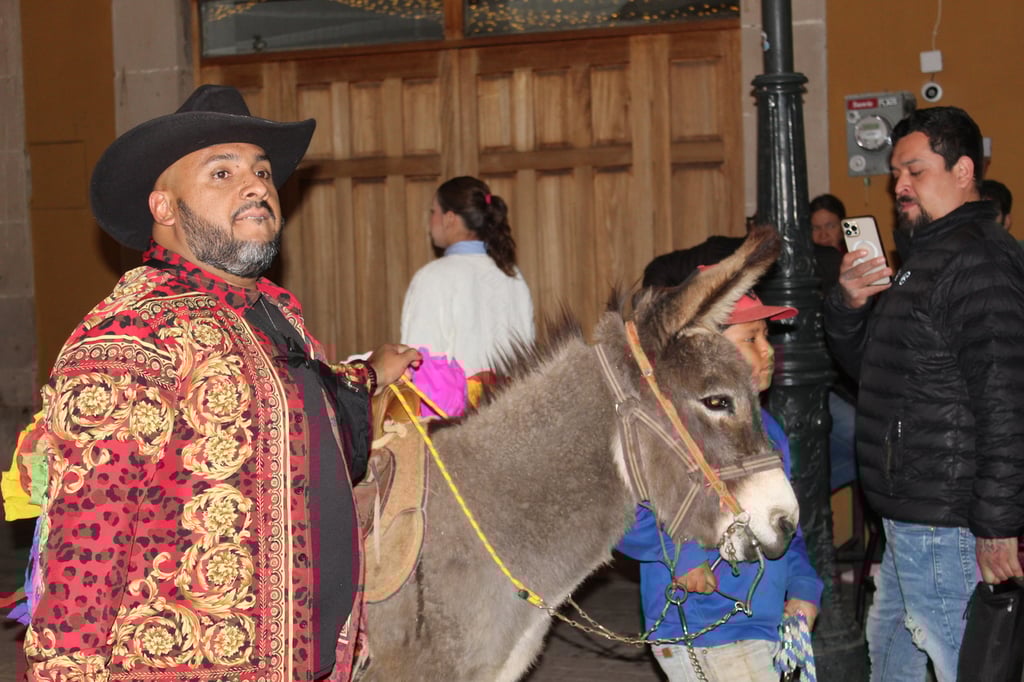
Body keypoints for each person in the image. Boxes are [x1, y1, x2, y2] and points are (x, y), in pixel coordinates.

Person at [10, 84, 421, 681]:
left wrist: (372, 373)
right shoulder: (135, 332)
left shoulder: (275, 315)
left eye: (260, 171)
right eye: (222, 172)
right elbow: (87, 540)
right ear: (165, 208)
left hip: (307, 660)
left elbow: (307, 404)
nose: (256, 185)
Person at [824, 106, 1024, 682]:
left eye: (914, 170)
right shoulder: (926, 259)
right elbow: (871, 370)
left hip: (944, 516)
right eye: (895, 174)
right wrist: (849, 303)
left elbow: (1005, 400)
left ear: (963, 170)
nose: (899, 186)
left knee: (962, 659)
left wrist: (996, 523)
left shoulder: (976, 259)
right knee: (891, 656)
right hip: (910, 512)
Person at [617, 270, 823, 682]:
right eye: (750, 338)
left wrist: (803, 586)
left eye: (766, 335)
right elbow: (620, 516)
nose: (768, 350)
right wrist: (684, 555)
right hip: (705, 631)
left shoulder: (770, 430)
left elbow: (786, 526)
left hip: (762, 626)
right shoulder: (665, 431)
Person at [400, 175, 534, 375]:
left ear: (449, 218)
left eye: (433, 212)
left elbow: (418, 364)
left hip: (457, 406)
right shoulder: (513, 275)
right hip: (511, 403)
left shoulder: (433, 277)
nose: (430, 220)